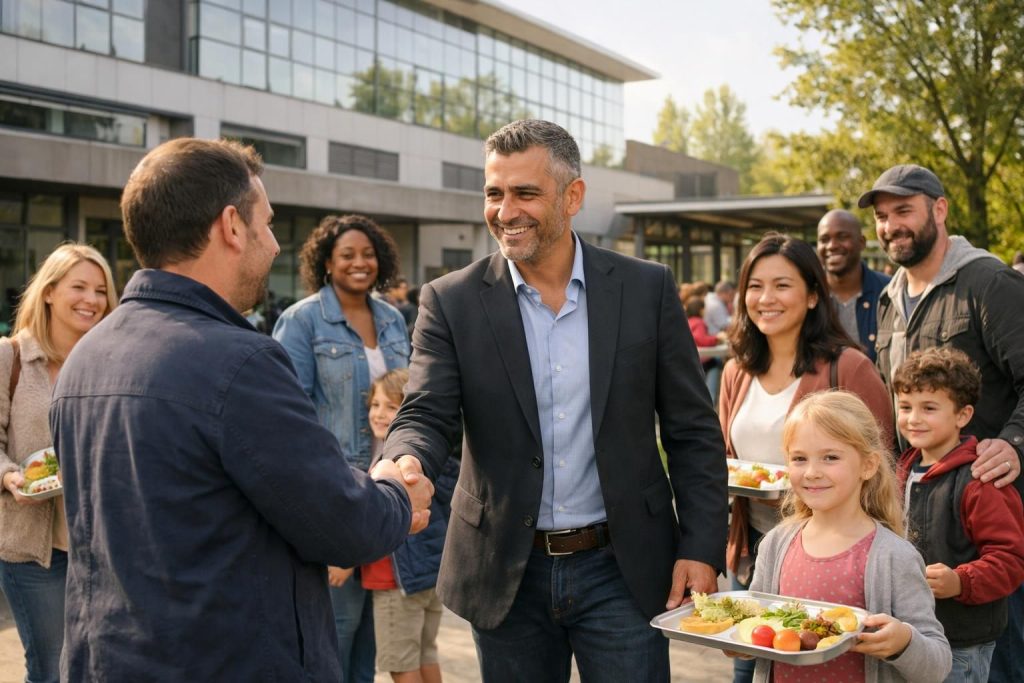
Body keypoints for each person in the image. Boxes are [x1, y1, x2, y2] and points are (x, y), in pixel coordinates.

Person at [48, 138, 432, 681]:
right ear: (232, 225)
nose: (274, 244)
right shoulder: (238, 361)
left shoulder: (86, 356)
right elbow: (343, 524)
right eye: (267, 222)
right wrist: (395, 489)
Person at [384, 119, 728, 682]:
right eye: (494, 193)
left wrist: (701, 546)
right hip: (504, 572)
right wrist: (404, 458)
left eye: (525, 193)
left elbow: (692, 430)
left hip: (625, 569)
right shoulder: (451, 301)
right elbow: (424, 410)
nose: (505, 210)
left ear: (573, 197)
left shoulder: (646, 288)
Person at [858, 163, 1024, 683]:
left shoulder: (988, 282)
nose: (889, 226)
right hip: (922, 520)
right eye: (883, 217)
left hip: (987, 512)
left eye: (903, 211)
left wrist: (1015, 442)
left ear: (940, 209)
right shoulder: (888, 299)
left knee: (998, 660)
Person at [718, 233, 893, 683]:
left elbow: (884, 467)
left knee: (825, 668)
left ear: (814, 295)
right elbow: (726, 458)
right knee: (749, 670)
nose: (765, 298)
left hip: (833, 556)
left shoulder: (849, 368)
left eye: (782, 285)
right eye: (754, 286)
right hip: (754, 549)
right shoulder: (737, 371)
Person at [273, 214, 411, 683]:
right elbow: (288, 416)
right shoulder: (302, 320)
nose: (360, 263)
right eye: (347, 254)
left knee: (375, 632)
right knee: (337, 630)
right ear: (327, 262)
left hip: (388, 487)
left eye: (368, 254)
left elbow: (411, 399)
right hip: (334, 489)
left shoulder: (393, 319)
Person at [742, 391, 951, 682]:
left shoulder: (894, 556)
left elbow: (937, 665)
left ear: (868, 465)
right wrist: (739, 642)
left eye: (830, 457)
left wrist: (904, 642)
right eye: (799, 458)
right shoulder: (775, 545)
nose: (812, 472)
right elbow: (755, 626)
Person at [0, 244, 116, 683]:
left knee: (96, 668)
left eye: (101, 290)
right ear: (48, 292)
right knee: (50, 670)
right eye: (79, 287)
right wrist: (11, 476)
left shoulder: (110, 364)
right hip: (33, 553)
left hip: (101, 546)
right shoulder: (10, 358)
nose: (92, 299)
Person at [893, 348, 1024, 682]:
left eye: (929, 408)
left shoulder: (980, 480)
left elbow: (1010, 560)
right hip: (910, 634)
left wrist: (960, 581)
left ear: (963, 415)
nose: (913, 418)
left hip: (960, 644)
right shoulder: (901, 471)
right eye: (905, 407)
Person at [361, 369, 459, 683]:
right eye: (375, 405)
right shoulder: (435, 460)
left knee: (401, 664)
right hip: (428, 576)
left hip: (397, 581)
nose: (379, 414)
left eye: (391, 407)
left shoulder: (393, 465)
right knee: (425, 654)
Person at [815, 209, 890, 362]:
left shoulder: (890, 291)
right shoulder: (808, 295)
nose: (832, 246)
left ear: (861, 243)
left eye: (842, 237)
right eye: (824, 239)